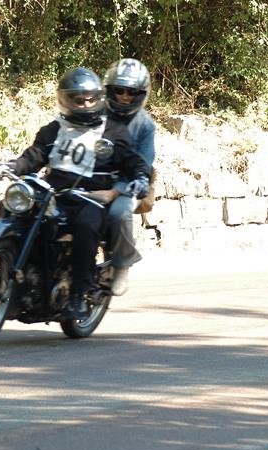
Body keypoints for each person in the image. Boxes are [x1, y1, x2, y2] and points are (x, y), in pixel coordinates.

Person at [2, 67, 151, 320]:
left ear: (99, 98)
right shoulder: (54, 129)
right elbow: (34, 155)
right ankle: (9, 279)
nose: (85, 104)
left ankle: (79, 294)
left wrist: (140, 177)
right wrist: (13, 166)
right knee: (10, 209)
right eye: (78, 99)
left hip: (90, 198)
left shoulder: (113, 131)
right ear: (65, 99)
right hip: (53, 194)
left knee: (86, 225)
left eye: (90, 99)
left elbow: (134, 161)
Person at [101, 58, 157, 296]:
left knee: (118, 212)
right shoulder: (95, 112)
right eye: (119, 90)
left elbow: (144, 162)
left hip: (128, 182)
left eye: (132, 92)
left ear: (141, 94)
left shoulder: (145, 125)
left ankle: (122, 264)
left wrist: (133, 184)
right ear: (109, 90)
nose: (124, 96)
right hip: (93, 176)